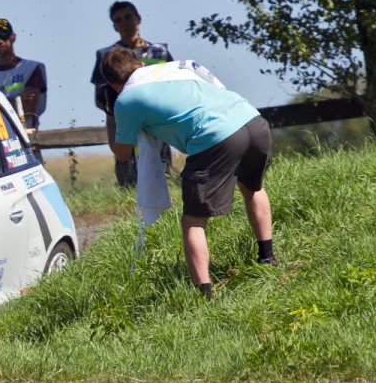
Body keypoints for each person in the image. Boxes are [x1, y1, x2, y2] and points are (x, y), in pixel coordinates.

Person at [100, 49, 277, 299]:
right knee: (252, 187)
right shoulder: (173, 68)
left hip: (216, 136)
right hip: (252, 120)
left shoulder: (126, 100)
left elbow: (121, 153)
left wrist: (110, 113)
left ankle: (204, 293)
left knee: (193, 220)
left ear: (111, 84)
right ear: (140, 64)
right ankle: (267, 258)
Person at [91, 1, 174, 187]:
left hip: (158, 123)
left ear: (138, 18)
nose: (124, 22)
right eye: (118, 20)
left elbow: (174, 83)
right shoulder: (106, 55)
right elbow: (100, 97)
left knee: (162, 178)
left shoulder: (159, 52)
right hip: (125, 122)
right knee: (128, 180)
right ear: (114, 26)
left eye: (128, 16)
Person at [0, 18, 47, 130]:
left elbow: (28, 108)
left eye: (3, 35)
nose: (0, 41)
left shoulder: (32, 68)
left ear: (13, 37)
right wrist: (18, 101)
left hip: (24, 134)